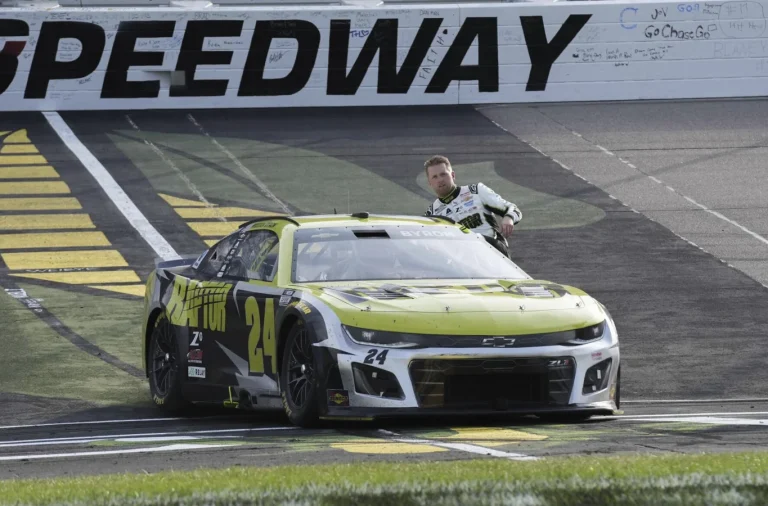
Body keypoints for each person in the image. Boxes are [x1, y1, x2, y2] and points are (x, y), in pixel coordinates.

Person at [423, 155, 522, 258]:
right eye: (435, 177)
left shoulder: (476, 191)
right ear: (429, 182)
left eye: (443, 174)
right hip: (463, 262)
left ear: (452, 175)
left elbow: (513, 209)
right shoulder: (431, 214)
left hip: (492, 252)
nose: (440, 180)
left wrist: (509, 218)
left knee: (475, 240)